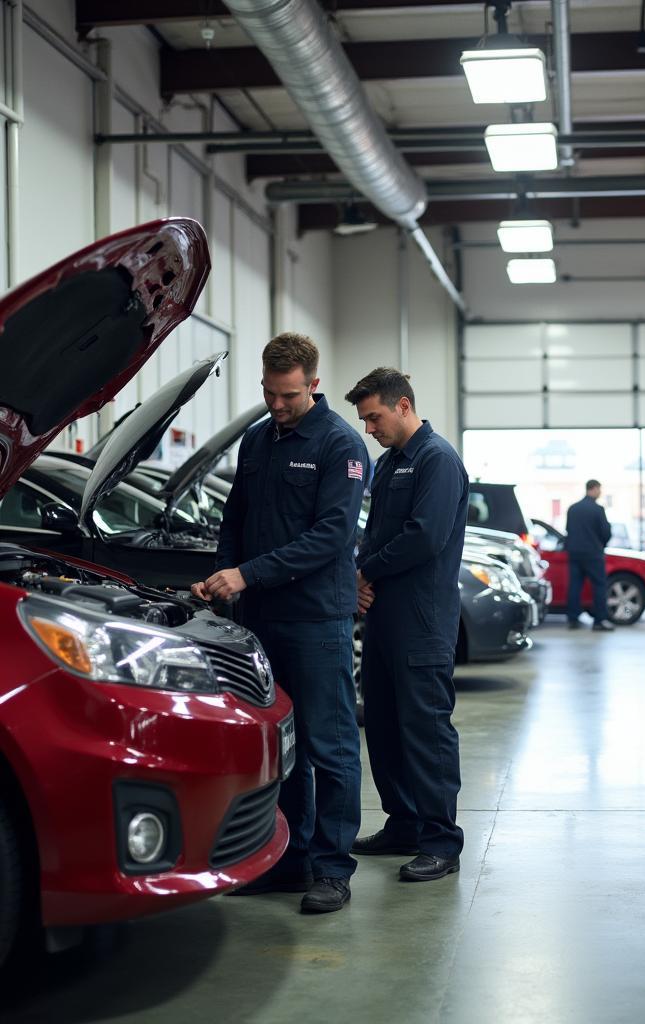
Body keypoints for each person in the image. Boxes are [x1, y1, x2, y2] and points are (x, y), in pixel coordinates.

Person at [191, 333, 367, 914]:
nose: (277, 405)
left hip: (316, 620)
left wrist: (249, 574)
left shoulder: (340, 445)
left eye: (288, 395)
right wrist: (222, 575)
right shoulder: (257, 440)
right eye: (268, 392)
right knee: (282, 744)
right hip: (261, 618)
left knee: (330, 745)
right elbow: (234, 517)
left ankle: (333, 870)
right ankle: (290, 861)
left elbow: (330, 537)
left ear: (313, 385)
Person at [344, 367, 468, 883]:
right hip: (384, 619)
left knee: (426, 730)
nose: (369, 429)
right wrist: (358, 576)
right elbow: (374, 533)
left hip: (421, 620)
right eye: (364, 420)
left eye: (374, 418)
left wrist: (366, 571)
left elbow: (424, 537)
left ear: (403, 406)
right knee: (388, 728)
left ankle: (440, 841)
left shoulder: (436, 461)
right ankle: (404, 824)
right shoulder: (392, 461)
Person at [565, 479, 615, 632]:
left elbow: (568, 530)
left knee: (575, 585)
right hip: (593, 553)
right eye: (599, 489)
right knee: (599, 586)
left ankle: (573, 619)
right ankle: (599, 621)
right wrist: (601, 544)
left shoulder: (572, 509)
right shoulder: (597, 509)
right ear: (593, 489)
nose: (600, 492)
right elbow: (606, 532)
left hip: (574, 553)